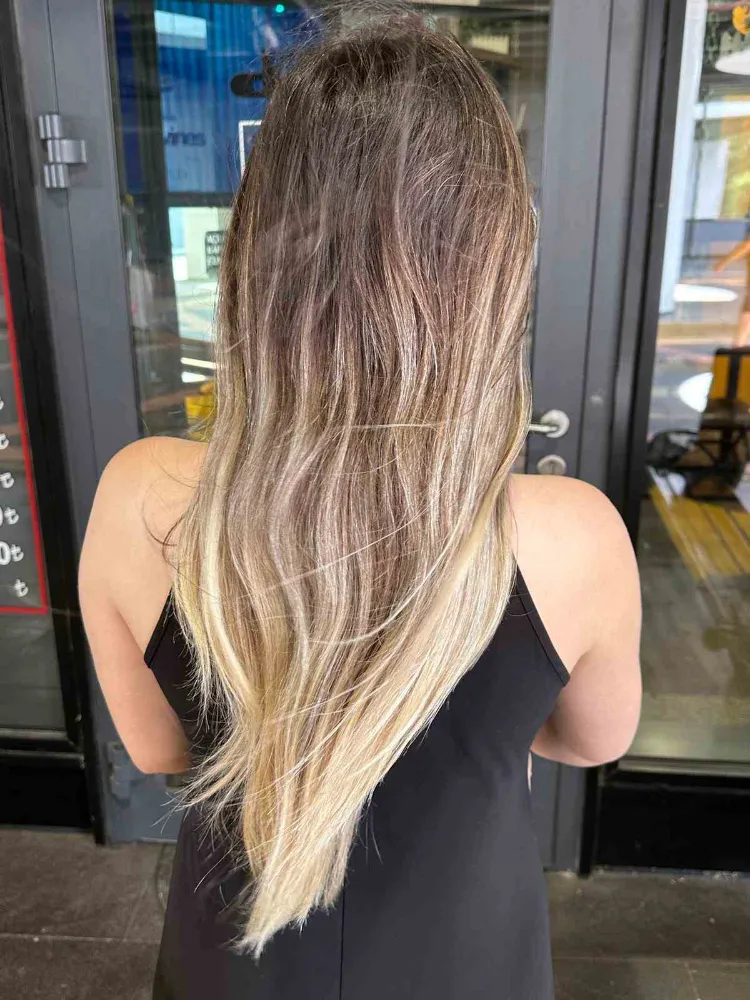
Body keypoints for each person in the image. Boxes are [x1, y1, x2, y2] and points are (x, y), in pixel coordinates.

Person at [78, 8, 642, 999]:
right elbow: (594, 738)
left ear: (255, 257)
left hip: (233, 962)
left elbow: (163, 746)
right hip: (467, 961)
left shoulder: (141, 498)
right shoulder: (573, 535)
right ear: (490, 269)